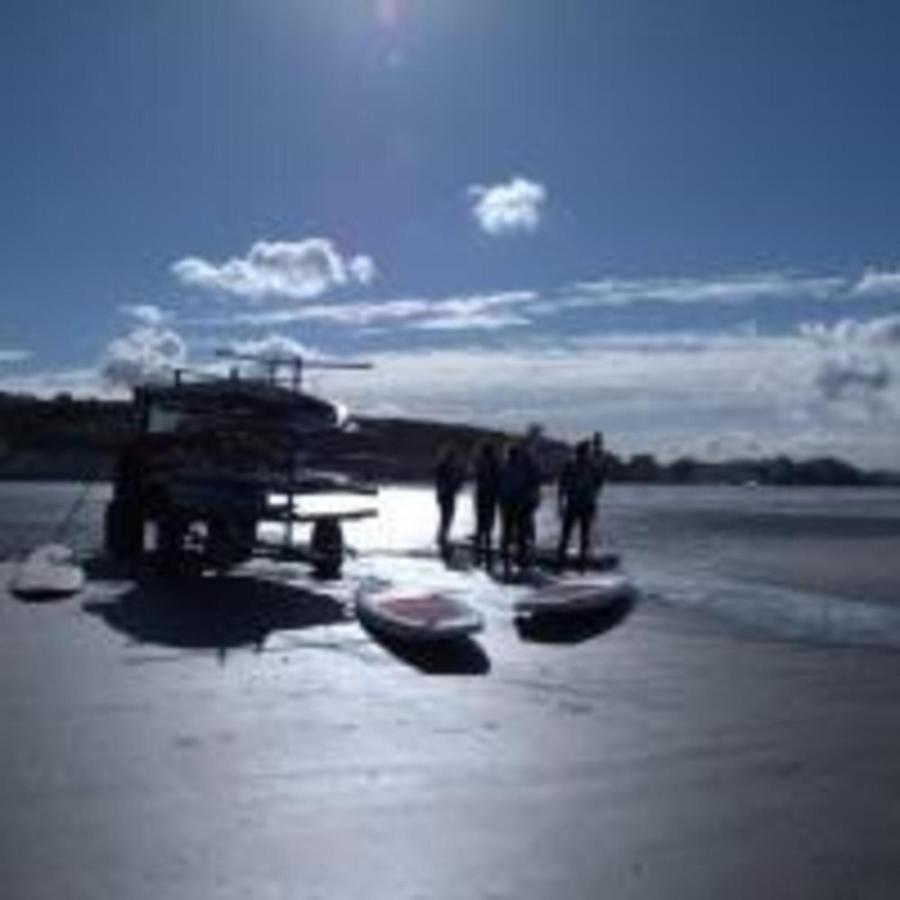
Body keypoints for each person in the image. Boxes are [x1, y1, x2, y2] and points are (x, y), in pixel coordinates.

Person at [556, 439, 605, 571]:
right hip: (575, 504)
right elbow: (561, 487)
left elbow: (598, 485)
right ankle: (563, 563)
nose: (586, 455)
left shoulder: (590, 467)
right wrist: (560, 504)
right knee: (568, 535)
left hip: (584, 505)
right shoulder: (572, 466)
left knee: (583, 536)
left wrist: (593, 501)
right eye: (585, 452)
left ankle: (580, 564)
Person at [499, 441, 542, 577]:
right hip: (510, 505)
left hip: (518, 504)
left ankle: (519, 559)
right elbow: (500, 486)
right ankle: (508, 558)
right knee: (510, 532)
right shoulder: (506, 468)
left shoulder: (520, 467)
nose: (514, 456)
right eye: (513, 453)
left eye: (515, 454)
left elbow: (532, 482)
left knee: (519, 533)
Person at [472, 442, 501, 568]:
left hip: (481, 495)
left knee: (480, 522)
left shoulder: (480, 463)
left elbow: (477, 474)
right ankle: (485, 546)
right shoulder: (493, 464)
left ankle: (479, 548)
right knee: (487, 523)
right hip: (489, 496)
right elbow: (497, 479)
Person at [434, 444, 465, 555]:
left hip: (446, 494)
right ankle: (442, 536)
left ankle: (442, 535)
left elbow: (443, 481)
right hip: (446, 495)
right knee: (447, 515)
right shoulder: (445, 466)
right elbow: (444, 481)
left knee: (447, 516)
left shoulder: (446, 465)